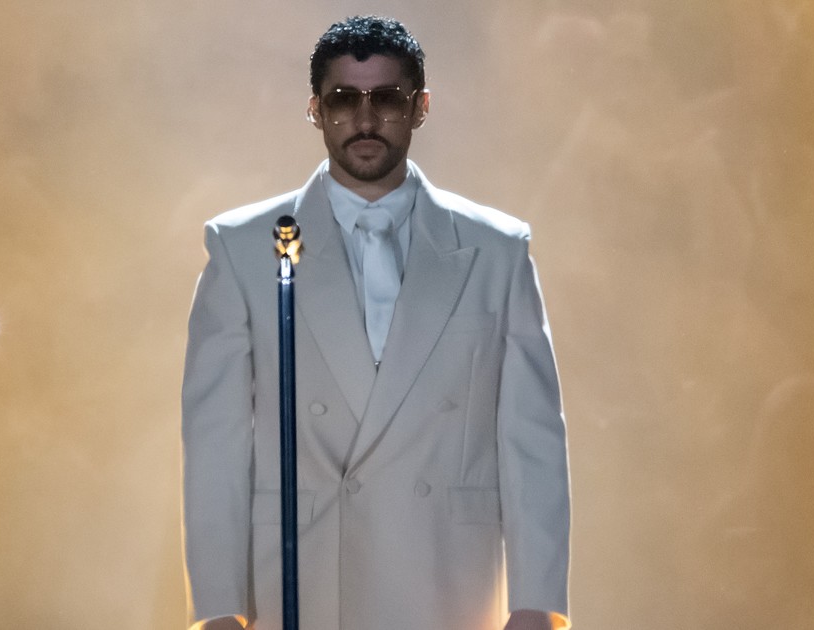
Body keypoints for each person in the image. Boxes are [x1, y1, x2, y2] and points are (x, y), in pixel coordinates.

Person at [181, 15, 570, 630]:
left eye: (386, 99)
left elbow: (532, 441)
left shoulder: (497, 251)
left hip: (449, 579)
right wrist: (219, 610)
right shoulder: (242, 248)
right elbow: (216, 447)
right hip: (303, 579)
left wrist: (537, 603)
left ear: (420, 107)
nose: (365, 120)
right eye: (343, 100)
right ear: (315, 109)